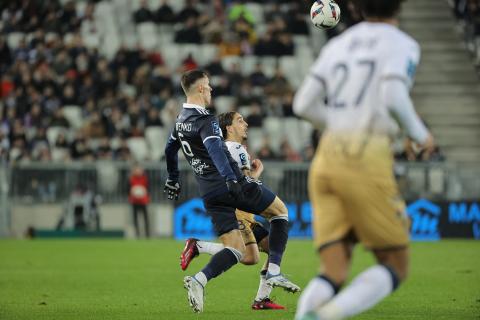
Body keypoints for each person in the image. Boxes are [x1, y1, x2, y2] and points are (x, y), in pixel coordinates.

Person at [292, 1, 436, 319]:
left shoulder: (338, 43)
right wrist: (419, 133)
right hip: (365, 157)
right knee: (396, 264)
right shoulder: (402, 44)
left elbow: (302, 104)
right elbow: (393, 95)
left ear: (355, 7)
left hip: (326, 156)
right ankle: (328, 316)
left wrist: (340, 125)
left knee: (334, 267)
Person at [164, 69, 299, 313]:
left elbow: (169, 149)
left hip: (209, 194)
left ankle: (199, 280)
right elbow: (216, 150)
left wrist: (173, 178)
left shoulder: (180, 121)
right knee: (280, 213)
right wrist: (232, 179)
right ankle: (274, 273)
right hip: (230, 185)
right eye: (209, 85)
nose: (211, 89)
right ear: (201, 89)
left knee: (237, 250)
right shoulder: (206, 120)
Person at [128, 164, 150, 238]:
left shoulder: (145, 178)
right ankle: (137, 234)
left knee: (145, 218)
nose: (138, 171)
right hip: (134, 201)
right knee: (135, 218)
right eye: (136, 170)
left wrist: (147, 196)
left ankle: (147, 234)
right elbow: (128, 189)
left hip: (143, 201)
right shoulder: (131, 179)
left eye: (139, 170)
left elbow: (148, 188)